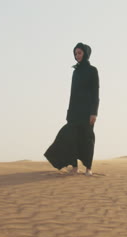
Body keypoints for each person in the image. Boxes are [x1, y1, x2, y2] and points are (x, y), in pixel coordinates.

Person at [44, 42, 99, 176]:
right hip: (74, 112)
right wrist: (69, 112)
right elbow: (72, 94)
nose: (77, 56)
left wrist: (94, 112)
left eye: (79, 53)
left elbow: (95, 93)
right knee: (70, 137)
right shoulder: (75, 72)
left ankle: (88, 168)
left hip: (87, 112)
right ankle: (74, 166)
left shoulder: (93, 71)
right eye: (75, 53)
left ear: (85, 53)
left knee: (87, 139)